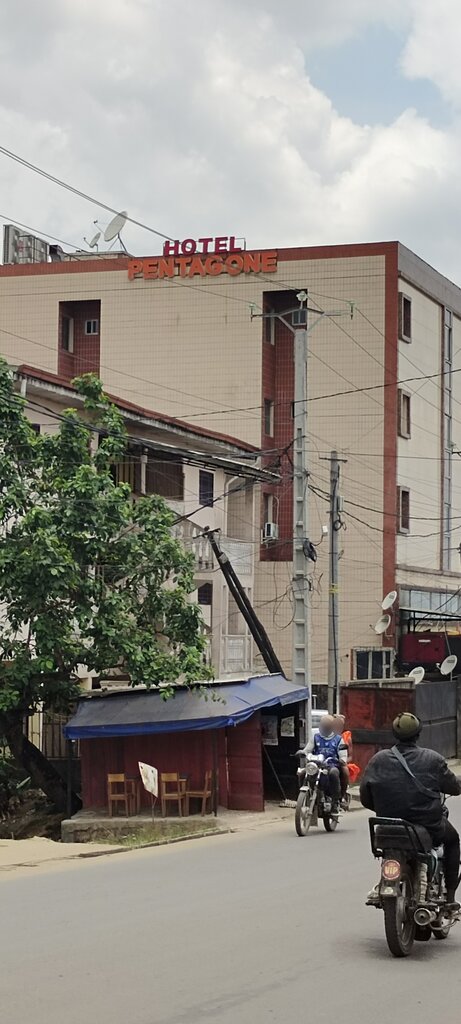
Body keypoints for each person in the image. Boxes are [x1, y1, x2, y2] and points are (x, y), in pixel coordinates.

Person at [360, 712, 461, 906]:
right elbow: (453, 787)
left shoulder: (378, 760)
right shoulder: (433, 759)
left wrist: (386, 810)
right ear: (418, 734)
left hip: (388, 825)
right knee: (453, 840)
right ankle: (450, 898)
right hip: (428, 824)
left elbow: (366, 798)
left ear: (394, 734)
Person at [302, 714, 348, 813]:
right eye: (322, 725)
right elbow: (308, 749)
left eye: (326, 726)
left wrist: (342, 759)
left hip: (331, 765)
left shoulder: (339, 739)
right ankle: (305, 796)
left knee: (334, 773)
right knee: (302, 773)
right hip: (316, 765)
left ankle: (336, 801)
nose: (323, 728)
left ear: (331, 727)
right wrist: (303, 753)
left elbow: (343, 754)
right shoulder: (315, 737)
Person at [333, 714, 351, 806]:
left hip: (340, 761)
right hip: (326, 761)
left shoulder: (346, 737)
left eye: (340, 725)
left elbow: (350, 755)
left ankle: (342, 795)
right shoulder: (324, 736)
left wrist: (343, 760)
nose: (337, 727)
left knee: (344, 770)